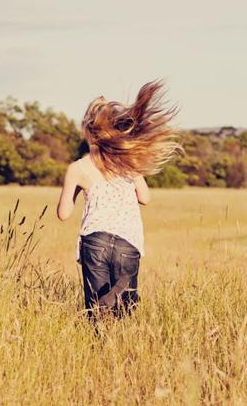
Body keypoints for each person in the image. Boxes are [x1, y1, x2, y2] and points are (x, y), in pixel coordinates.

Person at [56, 81, 181, 317]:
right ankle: (119, 325)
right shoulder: (127, 162)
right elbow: (145, 197)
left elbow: (63, 214)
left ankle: (100, 340)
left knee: (95, 309)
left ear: (87, 130)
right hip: (128, 241)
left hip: (95, 241)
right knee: (126, 307)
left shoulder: (78, 168)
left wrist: (75, 192)